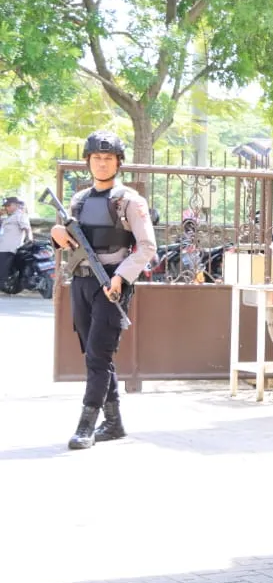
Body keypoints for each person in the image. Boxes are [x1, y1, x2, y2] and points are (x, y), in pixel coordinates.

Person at [48, 131, 157, 450]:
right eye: (96, 158)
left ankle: (86, 425)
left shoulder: (130, 201)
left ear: (118, 163)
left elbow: (147, 247)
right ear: (88, 162)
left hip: (112, 282)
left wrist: (122, 277)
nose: (102, 163)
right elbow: (66, 240)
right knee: (94, 354)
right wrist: (56, 233)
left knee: (98, 355)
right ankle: (114, 422)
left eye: (108, 158)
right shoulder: (78, 200)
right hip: (81, 280)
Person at [0, 196, 33, 282]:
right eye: (5, 206)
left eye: (8, 205)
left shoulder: (20, 215)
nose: (6, 208)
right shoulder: (10, 217)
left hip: (9, 248)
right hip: (3, 247)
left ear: (15, 205)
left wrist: (30, 239)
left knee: (2, 271)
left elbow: (27, 228)